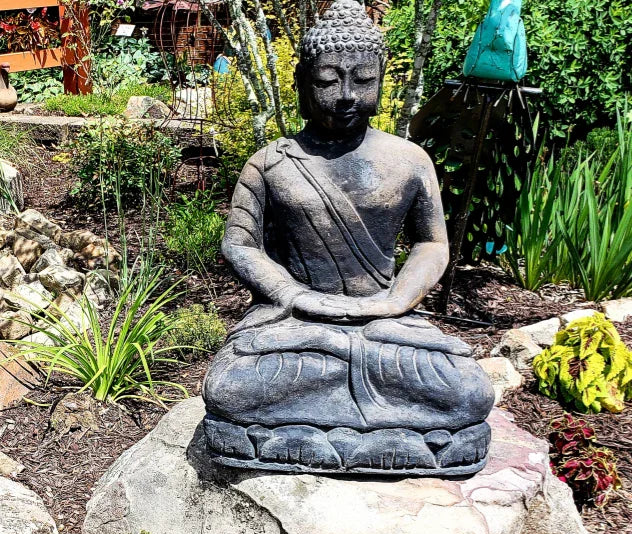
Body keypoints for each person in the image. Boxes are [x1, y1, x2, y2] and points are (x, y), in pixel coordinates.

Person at [199, 0, 494, 476]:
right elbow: (241, 244)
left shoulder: (410, 160)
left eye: (363, 80)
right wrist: (295, 296)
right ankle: (407, 439)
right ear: (301, 84)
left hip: (384, 321)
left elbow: (432, 244)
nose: (346, 95)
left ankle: (296, 434)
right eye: (327, 80)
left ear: (381, 80)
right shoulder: (272, 162)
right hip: (297, 323)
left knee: (468, 390)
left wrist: (395, 302)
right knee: (233, 386)